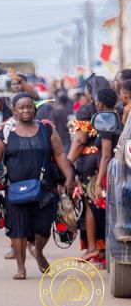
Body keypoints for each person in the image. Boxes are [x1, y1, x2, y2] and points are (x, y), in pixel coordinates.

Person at [0, 93, 73, 280]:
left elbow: (60, 154)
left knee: (44, 228)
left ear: (35, 108)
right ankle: (21, 267)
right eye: (21, 107)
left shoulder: (46, 129)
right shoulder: (5, 131)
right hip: (15, 189)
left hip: (45, 188)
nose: (26, 110)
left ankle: (38, 250)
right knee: (18, 229)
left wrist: (69, 176)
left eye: (29, 106)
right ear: (13, 110)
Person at [68, 75, 111, 262]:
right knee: (107, 207)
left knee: (90, 206)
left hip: (89, 162)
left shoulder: (86, 111)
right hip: (108, 161)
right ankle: (104, 250)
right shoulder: (115, 108)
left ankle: (93, 247)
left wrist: (67, 163)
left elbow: (80, 141)